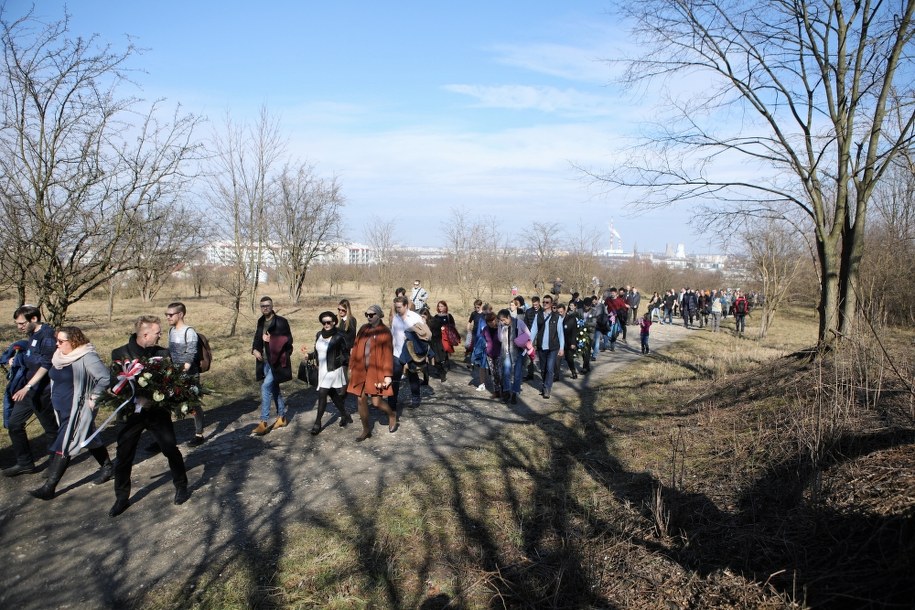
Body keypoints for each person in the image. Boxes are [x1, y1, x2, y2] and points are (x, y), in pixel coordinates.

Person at [109, 315, 189, 517]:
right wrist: (136, 399)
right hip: (130, 414)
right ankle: (121, 498)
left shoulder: (163, 353)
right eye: (157, 333)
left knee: (170, 448)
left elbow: (170, 381)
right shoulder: (120, 354)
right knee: (124, 455)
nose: (160, 335)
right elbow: (116, 385)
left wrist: (158, 397)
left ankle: (181, 486)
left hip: (156, 412)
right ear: (145, 334)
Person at [30, 326, 112, 500]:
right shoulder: (59, 356)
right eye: (56, 341)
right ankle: (107, 467)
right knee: (87, 435)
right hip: (61, 407)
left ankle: (49, 488)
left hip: (78, 409)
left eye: (61, 341)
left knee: (65, 443)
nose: (57, 345)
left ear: (73, 341)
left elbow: (105, 378)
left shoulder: (87, 357)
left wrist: (94, 397)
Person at [3, 305, 59, 477]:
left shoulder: (47, 335)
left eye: (21, 323)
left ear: (33, 319)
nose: (19, 327)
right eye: (17, 324)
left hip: (42, 391)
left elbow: (46, 364)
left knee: (50, 429)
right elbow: (31, 356)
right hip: (27, 390)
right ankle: (25, 463)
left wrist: (28, 386)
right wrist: (16, 359)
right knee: (14, 424)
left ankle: (55, 465)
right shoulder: (32, 334)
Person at [346, 304, 397, 441]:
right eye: (366, 314)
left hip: (376, 372)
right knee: (360, 400)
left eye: (371, 314)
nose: (368, 317)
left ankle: (391, 414)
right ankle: (366, 430)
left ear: (379, 315)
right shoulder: (363, 329)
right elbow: (355, 348)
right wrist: (352, 366)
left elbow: (387, 354)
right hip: (360, 370)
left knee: (376, 402)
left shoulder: (385, 332)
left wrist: (387, 375)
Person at [302, 311, 353, 435]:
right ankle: (345, 414)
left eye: (329, 322)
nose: (326, 324)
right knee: (332, 394)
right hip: (322, 369)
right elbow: (319, 352)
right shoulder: (319, 334)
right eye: (324, 322)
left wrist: (339, 363)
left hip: (333, 369)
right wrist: (309, 356)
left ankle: (317, 423)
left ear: (334, 322)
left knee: (322, 393)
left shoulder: (339, 336)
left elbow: (346, 354)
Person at [251, 296, 293, 435]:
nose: (265, 308)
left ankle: (263, 422)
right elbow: (257, 338)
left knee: (266, 387)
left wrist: (271, 340)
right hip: (265, 361)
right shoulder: (261, 321)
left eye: (267, 305)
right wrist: (255, 349)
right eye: (262, 306)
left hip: (277, 362)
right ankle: (282, 418)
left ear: (272, 306)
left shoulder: (281, 322)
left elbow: (288, 341)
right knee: (274, 389)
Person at [166, 302, 206, 447]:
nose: (168, 317)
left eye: (171, 315)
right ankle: (165, 437)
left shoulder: (189, 332)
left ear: (180, 314)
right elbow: (170, 352)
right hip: (174, 373)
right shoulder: (170, 331)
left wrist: (184, 368)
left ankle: (199, 434)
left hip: (189, 374)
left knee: (193, 403)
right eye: (167, 315)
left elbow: (191, 352)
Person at [390, 295, 429, 409]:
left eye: (400, 307)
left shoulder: (415, 317)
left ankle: (415, 399)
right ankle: (392, 403)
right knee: (395, 378)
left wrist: (423, 352)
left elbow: (425, 335)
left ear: (406, 306)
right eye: (396, 307)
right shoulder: (396, 318)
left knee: (412, 375)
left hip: (411, 352)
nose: (398, 309)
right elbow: (393, 335)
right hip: (397, 352)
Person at [530, 297, 564, 399]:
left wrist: (561, 348)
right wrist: (530, 343)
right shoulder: (538, 315)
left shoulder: (557, 317)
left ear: (551, 303)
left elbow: (561, 333)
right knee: (543, 369)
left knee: (549, 368)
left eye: (547, 302)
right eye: (543, 302)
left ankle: (547, 388)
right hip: (541, 347)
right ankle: (545, 384)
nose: (544, 303)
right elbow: (533, 330)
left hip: (553, 347)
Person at [497, 308, 529, 404]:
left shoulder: (519, 323)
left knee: (517, 374)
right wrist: (500, 327)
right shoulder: (502, 326)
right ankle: (507, 392)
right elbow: (500, 339)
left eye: (503, 320)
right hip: (506, 352)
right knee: (506, 373)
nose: (503, 322)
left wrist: (520, 340)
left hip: (518, 352)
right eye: (501, 321)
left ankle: (515, 392)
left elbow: (528, 334)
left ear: (508, 317)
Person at [557, 303, 579, 379]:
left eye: (561, 312)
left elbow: (574, 331)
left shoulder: (571, 319)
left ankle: (573, 371)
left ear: (565, 311)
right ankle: (556, 376)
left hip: (568, 342)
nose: (560, 314)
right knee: (558, 359)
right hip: (558, 342)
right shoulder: (556, 319)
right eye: (558, 312)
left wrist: (573, 343)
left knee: (569, 358)